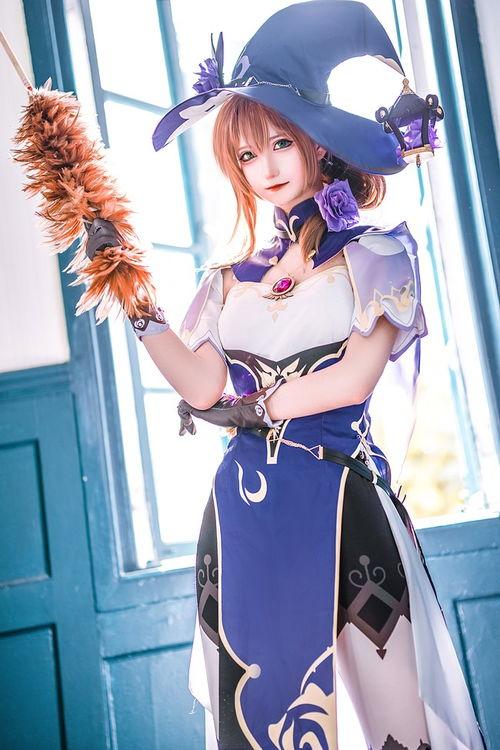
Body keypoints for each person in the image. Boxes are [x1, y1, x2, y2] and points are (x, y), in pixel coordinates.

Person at [116, 2, 486, 748]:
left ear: (317, 141)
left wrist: (259, 408)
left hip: (343, 497)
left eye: (280, 143)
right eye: (247, 155)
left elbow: (353, 380)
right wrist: (133, 296)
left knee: (397, 729)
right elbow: (201, 386)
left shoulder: (377, 254)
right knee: (257, 728)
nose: (266, 168)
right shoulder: (228, 281)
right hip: (244, 516)